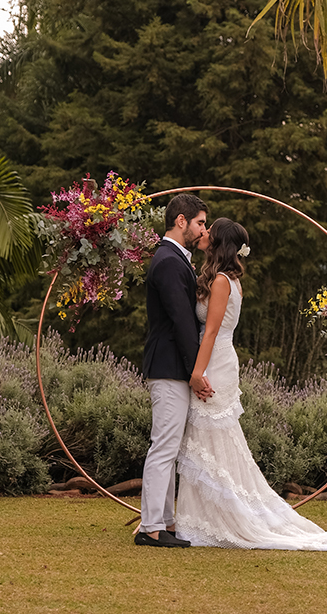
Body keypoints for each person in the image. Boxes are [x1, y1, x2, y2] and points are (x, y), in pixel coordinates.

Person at [174, 218, 327, 552]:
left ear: (220, 242)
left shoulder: (223, 281)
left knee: (211, 440)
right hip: (216, 358)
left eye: (210, 230)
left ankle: (220, 520)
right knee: (207, 443)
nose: (204, 233)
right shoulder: (223, 278)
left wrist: (196, 373)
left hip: (214, 363)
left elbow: (209, 332)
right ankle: (203, 518)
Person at [135, 193, 213, 548]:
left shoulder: (177, 259)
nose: (203, 230)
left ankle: (163, 522)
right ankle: (151, 527)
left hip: (172, 367)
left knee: (168, 446)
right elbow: (182, 321)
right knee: (163, 447)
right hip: (168, 367)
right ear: (180, 221)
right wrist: (195, 370)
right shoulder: (168, 261)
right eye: (199, 223)